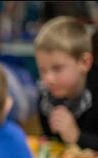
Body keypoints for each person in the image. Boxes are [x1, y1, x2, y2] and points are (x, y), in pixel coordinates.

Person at [34, 16, 98, 150]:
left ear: (85, 63)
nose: (48, 79)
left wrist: (78, 137)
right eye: (42, 70)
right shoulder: (46, 96)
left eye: (57, 69)